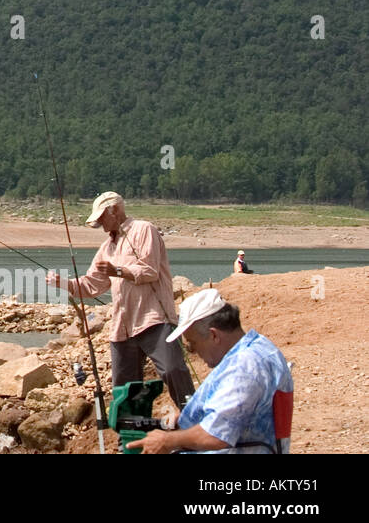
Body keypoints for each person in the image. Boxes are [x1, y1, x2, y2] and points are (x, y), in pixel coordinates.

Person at [46, 191, 195, 409]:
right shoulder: (106, 248)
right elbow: (91, 285)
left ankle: (196, 421)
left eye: (101, 218)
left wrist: (117, 270)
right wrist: (63, 283)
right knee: (124, 391)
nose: (100, 225)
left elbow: (150, 270)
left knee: (173, 371)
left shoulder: (144, 230)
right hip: (122, 329)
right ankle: (130, 440)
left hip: (154, 319)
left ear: (114, 210)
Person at [129, 289, 293, 453]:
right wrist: (182, 419)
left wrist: (168, 440)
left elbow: (216, 435)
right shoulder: (257, 347)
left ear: (213, 335)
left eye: (193, 344)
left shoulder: (246, 366)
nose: (194, 351)